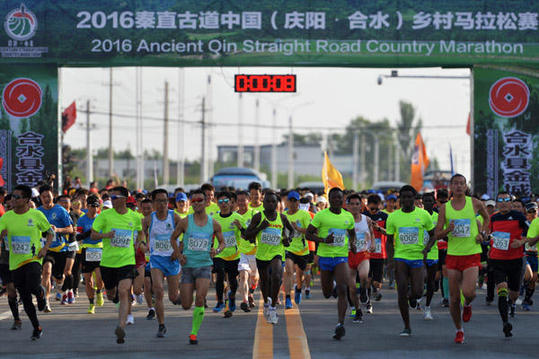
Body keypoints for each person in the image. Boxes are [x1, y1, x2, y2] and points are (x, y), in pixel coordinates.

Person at [435, 174, 489, 344]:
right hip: (453, 255)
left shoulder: (474, 203)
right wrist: (447, 230)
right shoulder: (445, 208)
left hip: (472, 253)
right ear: (450, 186)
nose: (458, 186)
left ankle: (468, 305)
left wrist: (483, 234)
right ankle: (459, 330)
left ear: (466, 186)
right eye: (455, 183)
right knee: (454, 298)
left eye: (461, 183)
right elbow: (437, 234)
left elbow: (487, 218)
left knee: (468, 292)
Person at [170, 189, 225, 344]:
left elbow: (222, 242)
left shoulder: (213, 223)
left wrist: (217, 250)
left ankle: (193, 333)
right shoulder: (185, 221)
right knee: (187, 305)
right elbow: (173, 238)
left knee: (200, 298)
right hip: (188, 266)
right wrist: (179, 255)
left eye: (199, 200)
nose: (196, 204)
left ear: (205, 201)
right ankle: (185, 295)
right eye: (193, 201)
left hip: (204, 265)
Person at [0, 185, 54, 340]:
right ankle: (37, 327)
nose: (12, 200)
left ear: (26, 200)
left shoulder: (36, 215)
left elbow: (50, 232)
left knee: (32, 285)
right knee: (25, 298)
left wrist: (45, 248)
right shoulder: (6, 217)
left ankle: (41, 292)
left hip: (33, 259)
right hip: (15, 263)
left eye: (17, 197)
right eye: (12, 197)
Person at [91, 186, 144, 344]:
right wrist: (105, 235)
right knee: (112, 294)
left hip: (127, 261)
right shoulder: (105, 215)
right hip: (108, 262)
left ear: (124, 198)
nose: (111, 200)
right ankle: (114, 300)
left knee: (123, 291)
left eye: (115, 197)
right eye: (110, 197)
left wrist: (139, 243)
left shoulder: (134, 217)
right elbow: (93, 234)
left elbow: (140, 232)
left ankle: (121, 326)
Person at [306, 187, 357, 340]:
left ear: (343, 200)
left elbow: (352, 234)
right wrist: (323, 240)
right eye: (333, 198)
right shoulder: (321, 216)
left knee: (343, 289)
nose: (336, 200)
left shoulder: (348, 216)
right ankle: (332, 286)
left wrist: (353, 244)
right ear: (329, 199)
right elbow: (308, 233)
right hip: (325, 257)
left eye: (339, 198)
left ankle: (340, 324)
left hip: (341, 257)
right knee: (327, 293)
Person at [386, 185, 436, 336]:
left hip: (417, 258)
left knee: (419, 291)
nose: (407, 199)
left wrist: (427, 248)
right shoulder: (393, 217)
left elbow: (433, 235)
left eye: (410, 197)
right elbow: (389, 241)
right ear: (400, 199)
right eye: (404, 197)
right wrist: (390, 260)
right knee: (401, 290)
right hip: (401, 257)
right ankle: (407, 326)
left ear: (415, 199)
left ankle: (412, 296)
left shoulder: (424, 215)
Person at [245, 190, 293, 325]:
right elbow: (247, 234)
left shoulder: (282, 218)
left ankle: (272, 308)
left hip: (277, 252)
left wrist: (288, 239)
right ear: (263, 203)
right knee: (265, 282)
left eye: (274, 201)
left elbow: (292, 231)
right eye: (268, 201)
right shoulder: (258, 217)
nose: (271, 204)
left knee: (277, 277)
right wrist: (260, 227)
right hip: (261, 254)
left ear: (277, 203)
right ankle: (267, 303)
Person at [487, 191, 529, 337]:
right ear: (497, 203)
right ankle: (505, 323)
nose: (503, 203)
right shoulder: (493, 218)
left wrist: (521, 241)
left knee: (514, 293)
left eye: (506, 200)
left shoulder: (519, 217)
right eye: (501, 200)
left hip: (515, 260)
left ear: (511, 202)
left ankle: (512, 304)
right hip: (498, 260)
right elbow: (487, 233)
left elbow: (529, 232)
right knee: (502, 291)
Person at [142, 189, 182, 338]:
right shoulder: (148, 219)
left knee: (173, 297)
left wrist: (178, 251)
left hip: (171, 259)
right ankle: (161, 325)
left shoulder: (174, 217)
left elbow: (188, 232)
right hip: (156, 259)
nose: (162, 204)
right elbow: (141, 234)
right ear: (153, 203)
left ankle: (181, 297)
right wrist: (141, 243)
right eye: (159, 201)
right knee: (158, 290)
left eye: (165, 201)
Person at [38, 185, 74, 311]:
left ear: (52, 195)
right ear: (40, 198)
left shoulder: (60, 210)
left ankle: (60, 284)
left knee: (59, 278)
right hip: (46, 249)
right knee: (46, 271)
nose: (46, 199)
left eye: (48, 196)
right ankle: (46, 300)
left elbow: (70, 229)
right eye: (43, 197)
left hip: (61, 249)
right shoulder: (38, 212)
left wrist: (57, 230)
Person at [211, 191, 244, 313]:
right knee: (220, 274)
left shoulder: (237, 218)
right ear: (217, 203)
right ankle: (220, 301)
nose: (223, 204)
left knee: (233, 280)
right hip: (219, 252)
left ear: (231, 202)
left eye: (226, 201)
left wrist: (241, 227)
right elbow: (209, 234)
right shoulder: (214, 218)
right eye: (221, 202)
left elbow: (246, 236)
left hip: (234, 254)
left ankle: (232, 296)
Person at [283, 190, 312, 309]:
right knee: (289, 271)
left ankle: (299, 288)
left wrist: (298, 228)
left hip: (302, 250)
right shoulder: (283, 215)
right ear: (287, 202)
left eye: (295, 201)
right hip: (288, 248)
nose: (293, 203)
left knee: (301, 275)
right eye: (291, 201)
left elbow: (310, 231)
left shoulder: (304, 215)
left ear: (299, 202)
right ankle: (288, 298)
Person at [347, 193, 374, 316]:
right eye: (351, 204)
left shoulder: (366, 219)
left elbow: (372, 233)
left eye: (357, 204)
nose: (354, 206)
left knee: (364, 276)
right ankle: (357, 309)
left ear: (361, 205)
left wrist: (372, 244)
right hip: (347, 254)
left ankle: (363, 291)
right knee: (351, 287)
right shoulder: (344, 219)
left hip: (363, 253)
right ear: (347, 206)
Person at [77, 195, 104, 314]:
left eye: (97, 206)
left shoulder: (101, 218)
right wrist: (90, 232)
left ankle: (99, 292)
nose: (94, 208)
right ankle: (91, 303)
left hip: (99, 250)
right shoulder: (82, 219)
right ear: (87, 206)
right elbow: (78, 236)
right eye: (92, 206)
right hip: (87, 250)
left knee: (99, 278)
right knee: (88, 280)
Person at [235, 190, 258, 312]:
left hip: (256, 251)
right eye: (238, 200)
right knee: (243, 275)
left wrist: (241, 228)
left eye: (243, 200)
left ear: (248, 200)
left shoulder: (255, 214)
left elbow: (253, 233)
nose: (241, 203)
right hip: (241, 252)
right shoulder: (234, 216)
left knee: (254, 279)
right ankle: (244, 301)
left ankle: (250, 293)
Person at [364, 194, 388, 302]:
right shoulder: (363, 216)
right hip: (366, 252)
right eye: (372, 209)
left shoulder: (384, 217)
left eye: (377, 208)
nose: (374, 211)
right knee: (367, 279)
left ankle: (375, 289)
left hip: (380, 253)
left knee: (377, 283)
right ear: (367, 206)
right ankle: (368, 301)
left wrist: (378, 228)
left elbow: (389, 233)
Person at [422, 192, 439, 320]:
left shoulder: (438, 217)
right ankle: (416, 296)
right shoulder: (417, 215)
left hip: (433, 252)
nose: (428, 203)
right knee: (419, 278)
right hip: (418, 252)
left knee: (431, 281)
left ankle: (427, 307)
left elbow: (440, 233)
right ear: (422, 202)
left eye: (430, 201)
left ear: (434, 203)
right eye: (425, 200)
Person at [523, 202, 538, 310]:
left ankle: (527, 300)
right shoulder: (523, 223)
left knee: (534, 279)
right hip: (525, 253)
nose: (532, 214)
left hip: (536, 255)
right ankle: (519, 286)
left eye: (534, 211)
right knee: (529, 276)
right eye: (530, 212)